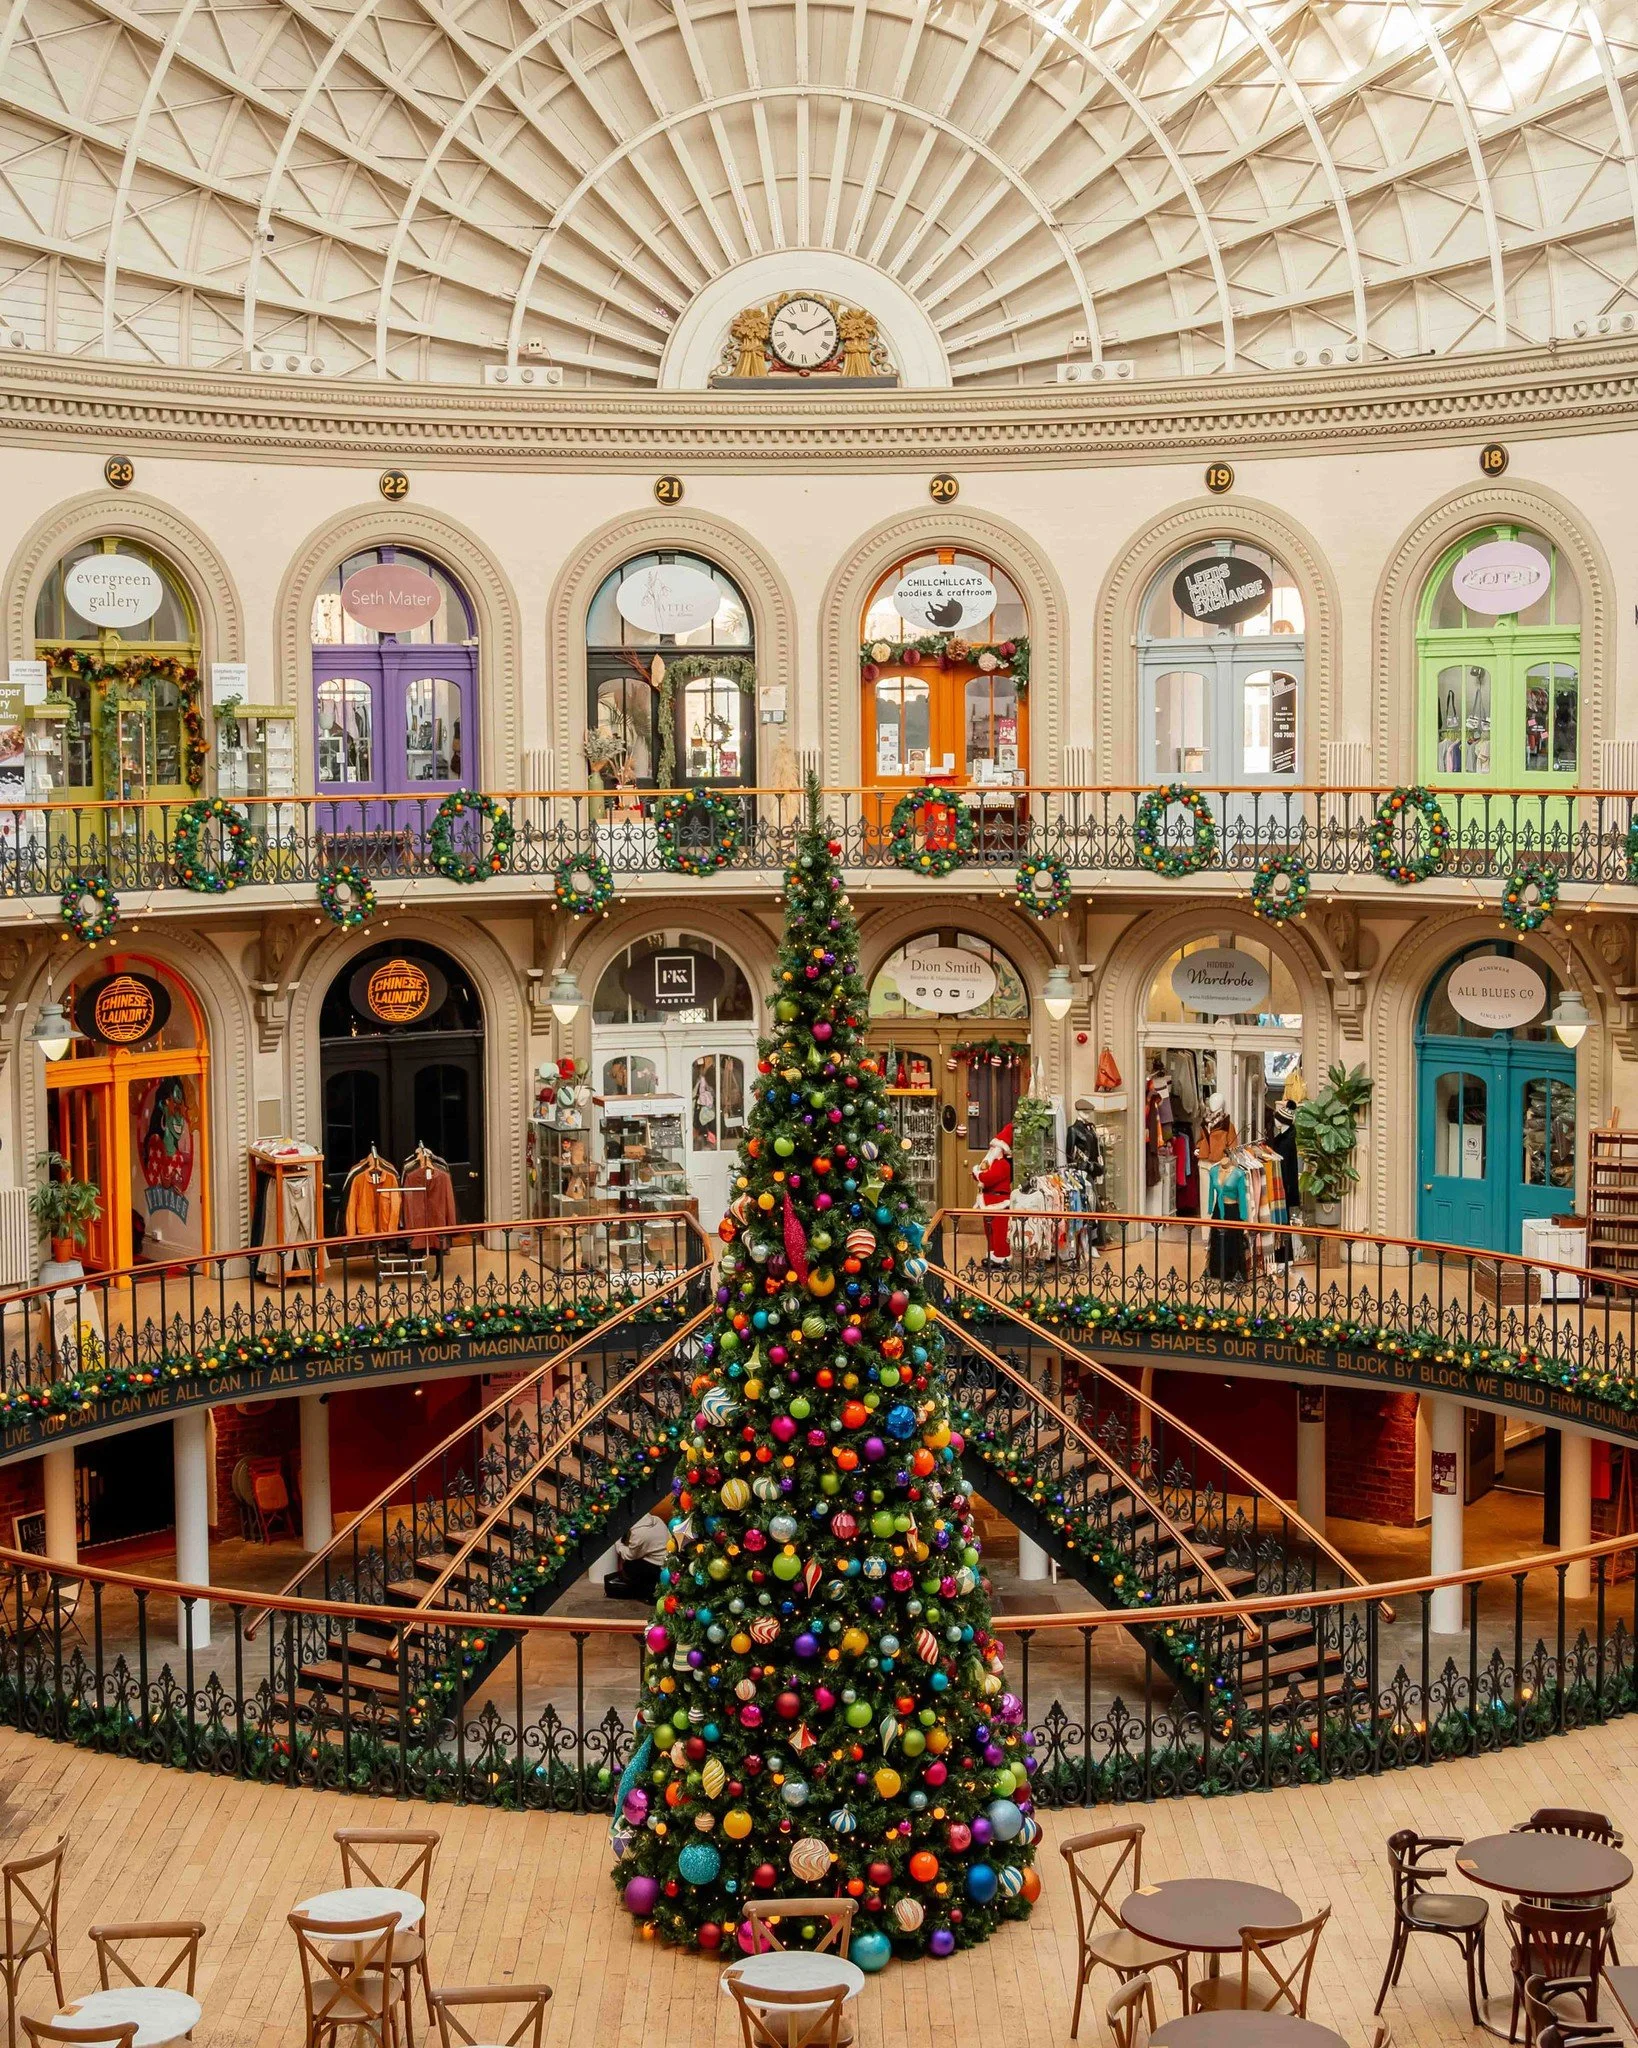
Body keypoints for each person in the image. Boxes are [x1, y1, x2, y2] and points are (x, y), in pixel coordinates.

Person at [603, 1510, 670, 1601]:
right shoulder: (657, 1520)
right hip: (666, 1561)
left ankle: (649, 1590)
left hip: (658, 1567)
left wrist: (617, 1543)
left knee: (629, 1566)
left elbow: (629, 1555)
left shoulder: (639, 1534)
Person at [972, 1122, 1013, 1264]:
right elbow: (982, 1174)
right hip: (989, 1201)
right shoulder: (991, 1163)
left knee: (999, 1232)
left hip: (999, 1202)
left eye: (994, 1147)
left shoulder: (1002, 1165)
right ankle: (992, 1255)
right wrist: (978, 1173)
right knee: (990, 1231)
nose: (991, 1149)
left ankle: (1001, 1257)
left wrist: (977, 1173)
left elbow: (988, 1178)